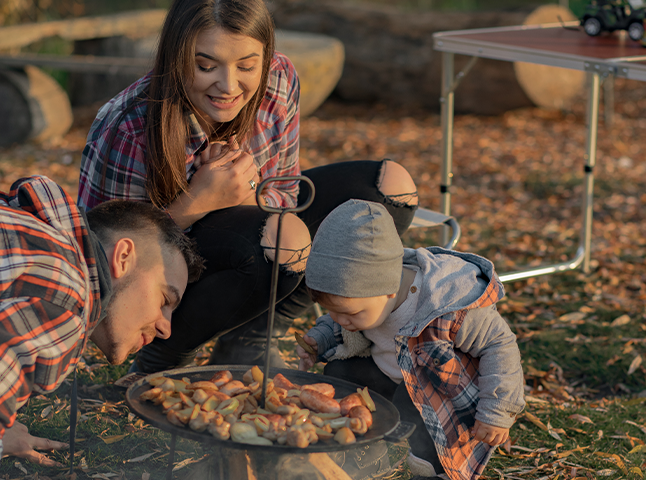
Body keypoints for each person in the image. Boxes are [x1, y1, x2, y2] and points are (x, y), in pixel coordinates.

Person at [78, 0, 419, 373]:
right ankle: (164, 355)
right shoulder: (130, 126)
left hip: (254, 228)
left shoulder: (280, 80)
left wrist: (244, 190)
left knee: (390, 189)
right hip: (173, 268)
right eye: (205, 65)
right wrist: (198, 200)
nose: (228, 86)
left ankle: (252, 337)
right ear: (176, 57)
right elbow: (102, 255)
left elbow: (287, 193)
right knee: (284, 238)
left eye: (246, 66)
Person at [0, 159, 203, 479]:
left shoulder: (28, 227)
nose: (166, 328)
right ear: (122, 258)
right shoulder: (66, 297)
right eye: (165, 300)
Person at [296, 200, 525, 480]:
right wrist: (319, 340)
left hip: (438, 395)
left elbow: (500, 346)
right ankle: (368, 450)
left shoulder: (447, 307)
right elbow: (337, 321)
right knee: (340, 374)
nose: (339, 319)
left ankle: (431, 467)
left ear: (388, 290)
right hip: (389, 371)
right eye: (333, 311)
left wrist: (497, 411)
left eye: (349, 313)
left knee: (414, 412)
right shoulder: (364, 298)